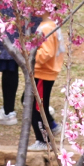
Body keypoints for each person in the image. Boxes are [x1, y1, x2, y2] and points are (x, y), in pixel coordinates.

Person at [28, 13, 66, 151]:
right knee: (35, 103)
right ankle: (52, 126)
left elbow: (47, 52)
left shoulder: (46, 28)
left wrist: (29, 55)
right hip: (46, 71)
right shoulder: (52, 25)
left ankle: (43, 140)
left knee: (36, 107)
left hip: (43, 72)